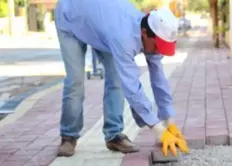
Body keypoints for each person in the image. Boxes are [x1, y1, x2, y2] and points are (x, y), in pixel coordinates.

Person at [54, 0, 189, 157]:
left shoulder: (151, 31)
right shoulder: (123, 37)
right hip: (70, 17)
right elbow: (132, 87)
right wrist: (158, 130)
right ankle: (68, 136)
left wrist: (168, 120)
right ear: (144, 33)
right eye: (158, 45)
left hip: (100, 26)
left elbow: (159, 78)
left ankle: (113, 135)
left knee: (116, 79)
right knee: (75, 80)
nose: (159, 50)